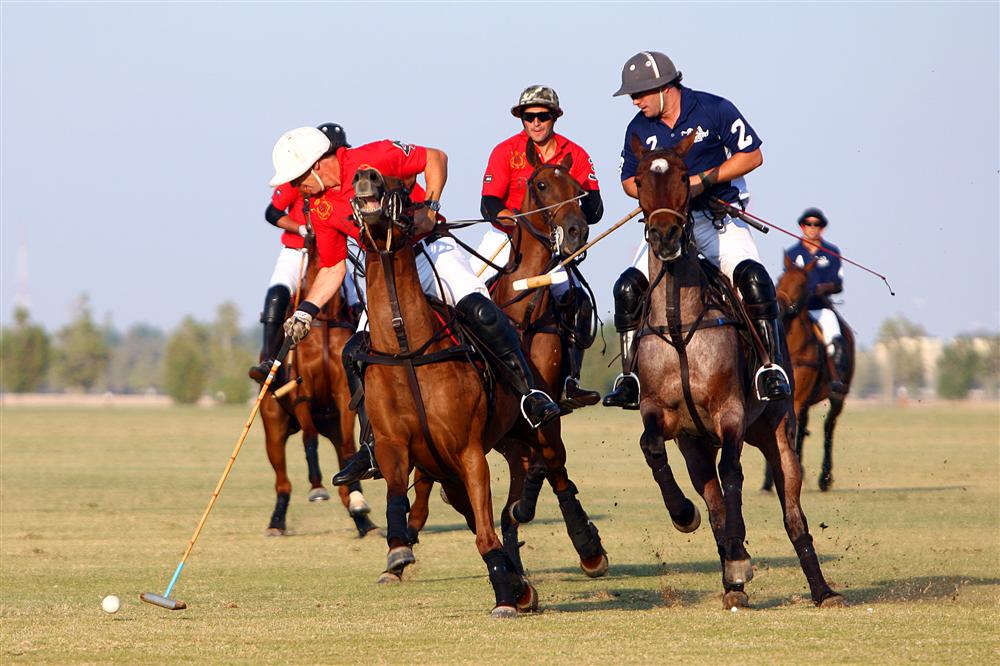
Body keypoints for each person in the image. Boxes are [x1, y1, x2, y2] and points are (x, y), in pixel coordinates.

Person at [267, 126, 562, 485]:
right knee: (355, 352)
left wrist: (430, 208)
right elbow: (332, 266)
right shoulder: (320, 206)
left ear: (317, 164)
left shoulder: (372, 155)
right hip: (383, 273)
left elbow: (435, 157)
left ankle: (529, 394)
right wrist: (306, 310)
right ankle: (371, 444)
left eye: (297, 180)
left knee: (481, 311)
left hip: (429, 251)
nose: (296, 190)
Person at [603, 50, 791, 409]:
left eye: (639, 94)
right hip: (668, 227)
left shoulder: (714, 109)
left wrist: (702, 181)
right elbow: (628, 181)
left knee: (754, 281)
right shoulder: (638, 129)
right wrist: (655, 190)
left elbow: (753, 155)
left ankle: (770, 368)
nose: (635, 101)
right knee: (627, 289)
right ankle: (630, 378)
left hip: (717, 223)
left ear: (664, 88)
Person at [477, 85, 604, 408]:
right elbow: (489, 205)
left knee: (577, 300)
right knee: (467, 291)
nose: (535, 123)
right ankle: (473, 371)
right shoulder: (505, 151)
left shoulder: (575, 154)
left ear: (554, 118)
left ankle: (570, 380)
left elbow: (595, 208)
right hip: (504, 237)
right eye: (528, 117)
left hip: (554, 246)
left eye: (542, 117)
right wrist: (521, 224)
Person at [249, 123, 363, 383]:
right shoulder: (297, 178)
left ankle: (364, 363)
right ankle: (269, 358)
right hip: (297, 249)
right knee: (277, 293)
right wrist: (301, 228)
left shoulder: (346, 178)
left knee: (357, 302)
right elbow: (272, 213)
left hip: (333, 251)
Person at [785, 207, 848, 392]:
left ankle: (836, 379)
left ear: (822, 228)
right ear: (802, 227)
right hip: (797, 310)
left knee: (835, 340)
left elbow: (838, 284)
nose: (812, 228)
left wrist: (825, 288)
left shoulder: (831, 252)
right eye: (808, 224)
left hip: (821, 309)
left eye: (816, 224)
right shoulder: (792, 253)